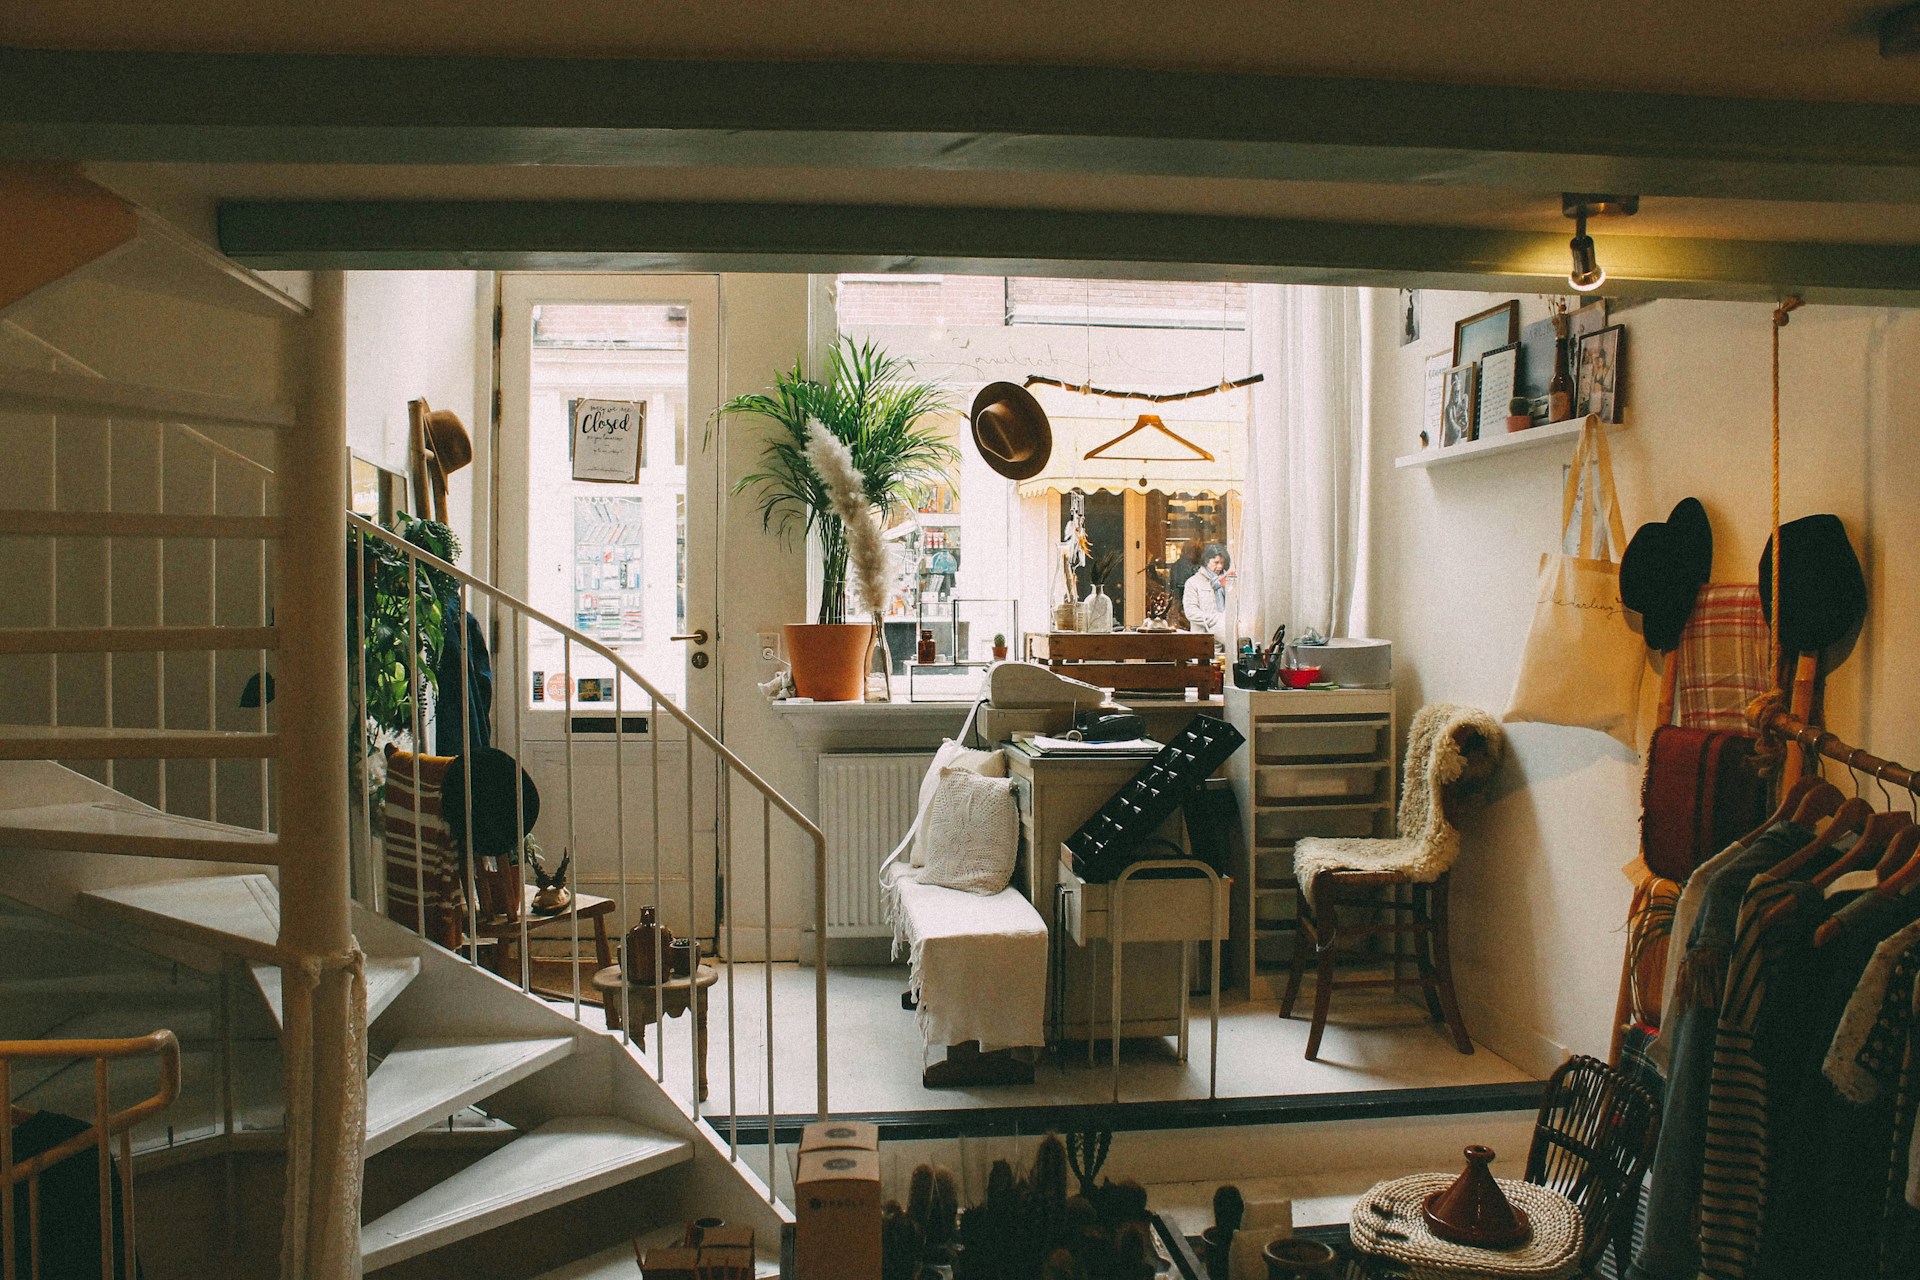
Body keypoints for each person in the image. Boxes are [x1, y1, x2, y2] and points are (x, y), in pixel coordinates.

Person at [1182, 544, 1233, 645]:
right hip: (1203, 641)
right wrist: (1218, 619)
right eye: (1216, 562)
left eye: (1222, 563)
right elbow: (1191, 612)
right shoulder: (1193, 582)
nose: (1220, 566)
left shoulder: (1229, 580)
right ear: (1206, 561)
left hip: (1228, 640)